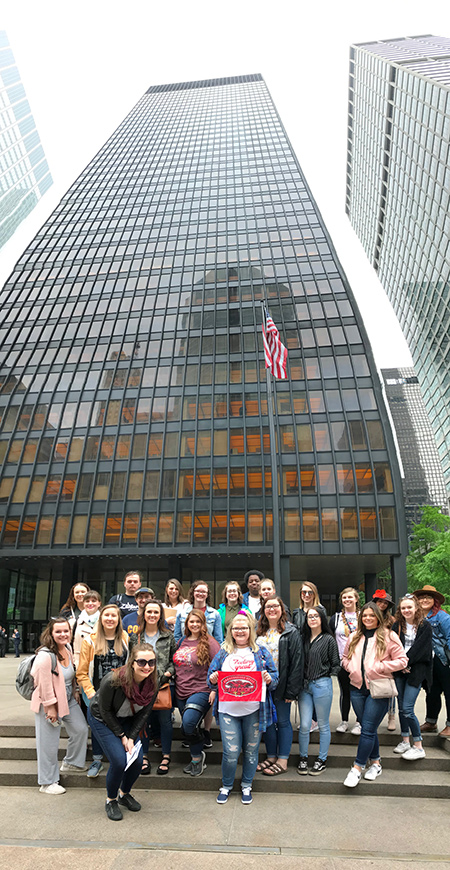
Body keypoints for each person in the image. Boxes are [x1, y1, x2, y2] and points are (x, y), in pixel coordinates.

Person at [208, 612, 278, 804]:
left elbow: (274, 677)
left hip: (254, 710)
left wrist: (269, 679)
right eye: (236, 628)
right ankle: (227, 785)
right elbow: (211, 676)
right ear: (231, 631)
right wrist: (213, 679)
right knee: (230, 753)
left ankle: (247, 785)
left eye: (244, 628)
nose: (240, 631)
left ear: (250, 630)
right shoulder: (223, 651)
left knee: (251, 751)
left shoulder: (261, 651)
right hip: (228, 710)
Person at [87, 642, 157, 820]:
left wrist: (132, 737)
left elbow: (144, 714)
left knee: (137, 760)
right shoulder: (113, 680)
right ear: (132, 662)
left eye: (151, 662)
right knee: (119, 760)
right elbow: (105, 711)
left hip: (128, 719)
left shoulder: (153, 683)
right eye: (141, 662)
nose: (147, 667)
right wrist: (122, 736)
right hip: (102, 718)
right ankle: (111, 800)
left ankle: (124, 794)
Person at [342, 602, 408, 788]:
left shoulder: (389, 636)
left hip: (378, 689)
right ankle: (376, 762)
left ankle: (357, 767)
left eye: (372, 615)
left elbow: (403, 660)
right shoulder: (354, 636)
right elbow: (344, 657)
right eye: (365, 616)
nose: (368, 618)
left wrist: (379, 667)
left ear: (378, 617)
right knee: (367, 728)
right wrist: (351, 668)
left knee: (368, 729)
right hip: (356, 688)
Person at [31, 617, 88, 795]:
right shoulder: (45, 656)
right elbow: (44, 685)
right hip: (47, 702)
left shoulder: (68, 648)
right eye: (58, 631)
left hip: (68, 699)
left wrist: (76, 692)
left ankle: (71, 762)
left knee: (80, 729)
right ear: (51, 633)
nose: (63, 634)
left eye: (66, 631)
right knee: (48, 743)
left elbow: (70, 675)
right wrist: (50, 708)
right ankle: (47, 782)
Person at [76, 604, 128, 778]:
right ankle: (97, 760)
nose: (110, 619)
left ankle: (119, 760)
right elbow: (82, 672)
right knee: (98, 727)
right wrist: (90, 693)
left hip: (120, 695)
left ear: (118, 619)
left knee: (117, 726)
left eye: (114, 615)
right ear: (101, 618)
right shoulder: (90, 641)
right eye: (107, 615)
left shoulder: (126, 639)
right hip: (96, 693)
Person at [256, 596, 302, 774]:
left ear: (282, 609)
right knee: (267, 723)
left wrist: (291, 690)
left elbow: (297, 663)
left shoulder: (291, 631)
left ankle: (282, 760)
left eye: (275, 606)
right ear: (263, 610)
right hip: (261, 686)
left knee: (283, 722)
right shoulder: (258, 630)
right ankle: (271, 756)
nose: (271, 609)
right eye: (268, 607)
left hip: (282, 685)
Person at [130, 599, 176, 775]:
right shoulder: (136, 637)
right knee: (143, 722)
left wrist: (166, 675)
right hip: (141, 687)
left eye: (156, 612)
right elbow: (130, 662)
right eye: (149, 612)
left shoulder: (168, 636)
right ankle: (144, 756)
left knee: (165, 721)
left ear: (160, 615)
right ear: (144, 614)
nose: (152, 615)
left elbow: (173, 661)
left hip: (163, 686)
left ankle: (166, 756)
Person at [173, 609, 220, 777]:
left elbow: (218, 667)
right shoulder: (181, 641)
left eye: (198, 622)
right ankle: (195, 759)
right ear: (186, 624)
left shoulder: (210, 642)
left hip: (201, 689)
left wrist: (214, 690)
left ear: (203, 624)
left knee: (188, 724)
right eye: (191, 622)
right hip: (180, 690)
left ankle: (199, 754)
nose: (194, 624)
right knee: (188, 727)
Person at [297, 607, 340, 775]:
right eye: (309, 616)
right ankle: (303, 758)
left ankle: (322, 759)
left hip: (321, 684)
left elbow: (336, 663)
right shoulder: (303, 638)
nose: (312, 619)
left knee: (322, 724)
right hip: (304, 687)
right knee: (305, 725)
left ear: (322, 618)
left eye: (316, 616)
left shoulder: (329, 639)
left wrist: (326, 676)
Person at [392, 595, 433, 760]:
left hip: (416, 671)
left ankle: (418, 745)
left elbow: (422, 650)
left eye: (409, 607)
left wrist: (406, 663)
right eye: (403, 608)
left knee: (408, 708)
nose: (406, 610)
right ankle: (404, 740)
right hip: (399, 670)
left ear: (416, 608)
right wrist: (400, 665)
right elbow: (393, 647)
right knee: (401, 707)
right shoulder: (397, 626)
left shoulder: (425, 626)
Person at [413, 584, 450, 737]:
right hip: (427, 662)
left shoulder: (443, 617)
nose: (424, 600)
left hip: (443, 661)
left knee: (449, 692)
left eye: (428, 597)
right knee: (431, 692)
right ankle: (431, 721)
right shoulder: (415, 617)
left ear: (434, 601)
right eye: (421, 597)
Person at [329, 587, 361, 735]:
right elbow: (330, 638)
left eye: (350, 597)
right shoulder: (335, 618)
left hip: (360, 660)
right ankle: (344, 721)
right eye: (344, 598)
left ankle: (360, 721)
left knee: (359, 691)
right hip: (342, 660)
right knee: (345, 691)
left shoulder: (363, 615)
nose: (347, 600)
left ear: (356, 599)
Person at [372, 589, 396, 730]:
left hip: (386, 654)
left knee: (389, 687)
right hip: (371, 653)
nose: (382, 604)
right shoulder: (368, 616)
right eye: (380, 601)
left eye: (385, 603)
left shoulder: (391, 620)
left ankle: (391, 716)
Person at [73, 590, 102, 667]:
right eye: (87, 601)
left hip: (99, 664)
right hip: (80, 664)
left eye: (93, 601)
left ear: (99, 603)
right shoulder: (75, 622)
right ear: (83, 604)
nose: (90, 603)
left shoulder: (105, 622)